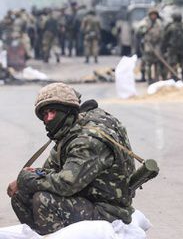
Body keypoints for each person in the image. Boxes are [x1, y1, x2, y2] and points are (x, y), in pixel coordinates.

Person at [7, 82, 135, 235]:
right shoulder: (70, 128)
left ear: (67, 110)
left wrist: (27, 179)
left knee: (44, 200)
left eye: (52, 112)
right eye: (44, 115)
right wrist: (27, 180)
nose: (48, 119)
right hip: (86, 200)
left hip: (109, 212)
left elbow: (66, 183)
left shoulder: (87, 141)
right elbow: (52, 169)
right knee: (20, 194)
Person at [162, 12, 183, 80]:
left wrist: (164, 48)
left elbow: (165, 38)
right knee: (182, 64)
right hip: (182, 48)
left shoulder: (171, 27)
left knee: (173, 63)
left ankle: (174, 77)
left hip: (173, 49)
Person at [141, 9, 163, 84]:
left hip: (157, 45)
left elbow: (161, 33)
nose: (154, 16)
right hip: (148, 45)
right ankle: (149, 79)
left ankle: (156, 78)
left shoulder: (159, 23)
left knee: (157, 63)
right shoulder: (145, 22)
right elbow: (140, 31)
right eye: (152, 15)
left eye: (155, 14)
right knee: (148, 63)